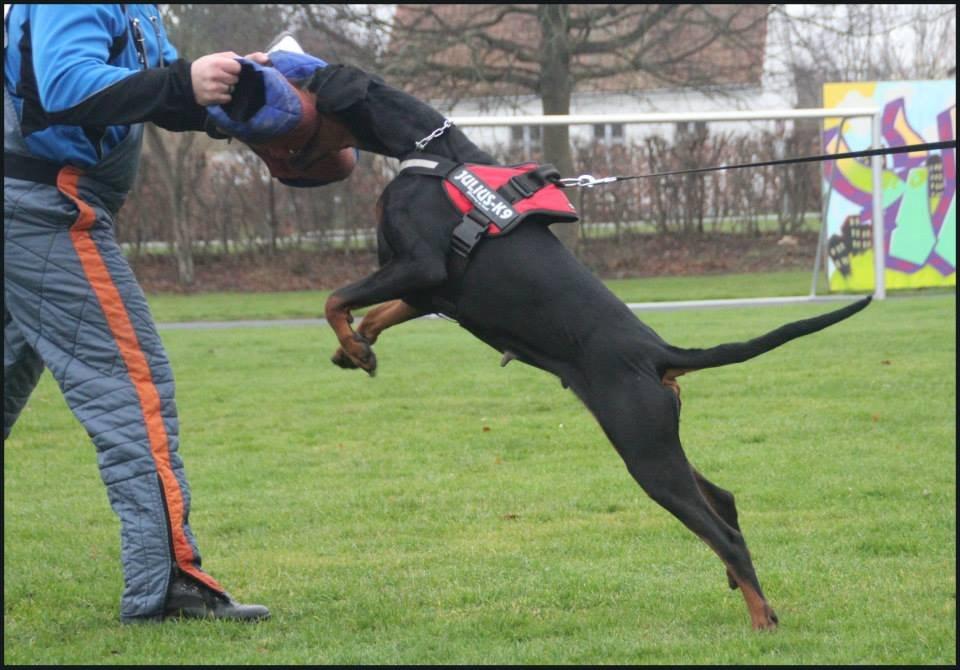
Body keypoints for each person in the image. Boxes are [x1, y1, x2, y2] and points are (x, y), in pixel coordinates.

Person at [3, 4, 274, 623]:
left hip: (30, 201)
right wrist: (184, 81)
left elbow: (151, 91)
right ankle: (167, 583)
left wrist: (230, 91)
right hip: (48, 207)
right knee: (132, 392)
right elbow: (66, 85)